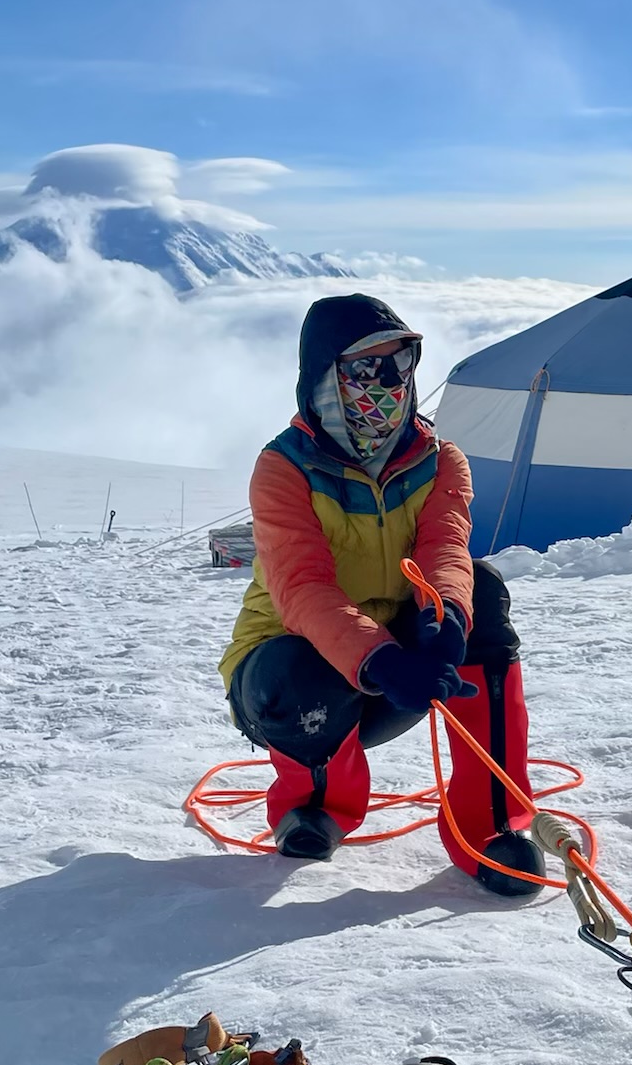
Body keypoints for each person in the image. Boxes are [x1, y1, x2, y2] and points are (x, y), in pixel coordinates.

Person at [219, 292, 541, 888]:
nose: (386, 385)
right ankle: (311, 809)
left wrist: (445, 622)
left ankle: (492, 827)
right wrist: (381, 659)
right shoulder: (285, 468)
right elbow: (302, 587)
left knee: (485, 597)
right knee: (299, 666)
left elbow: (445, 548)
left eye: (400, 365)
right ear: (325, 376)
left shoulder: (441, 460)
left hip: (396, 665)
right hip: (287, 674)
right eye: (366, 368)